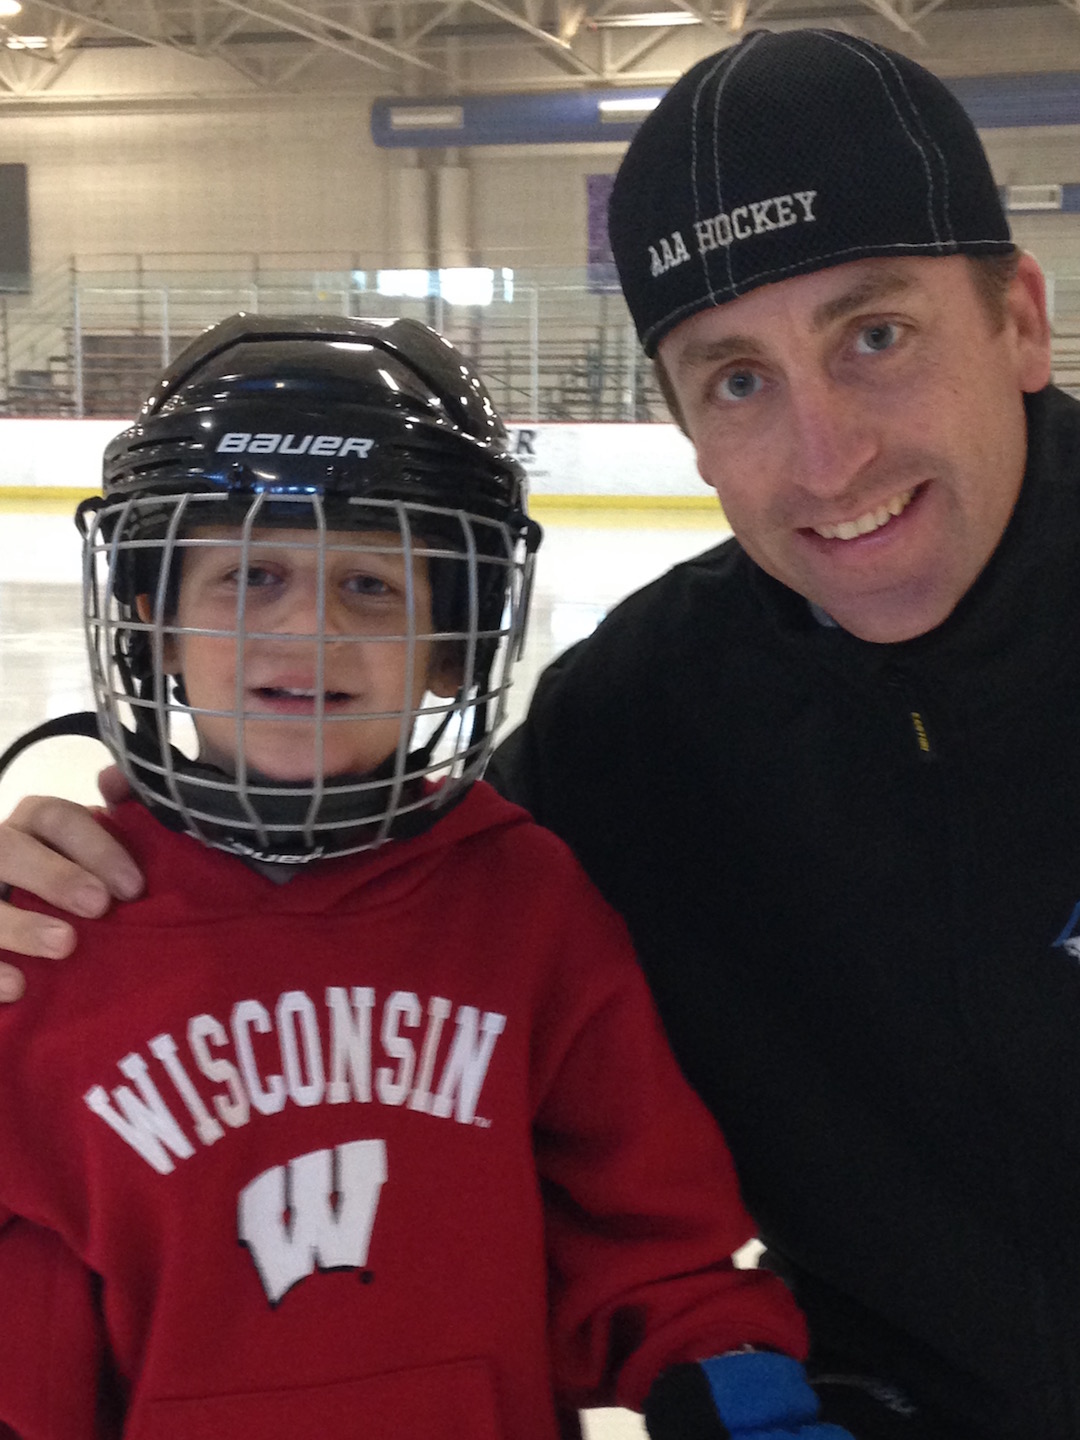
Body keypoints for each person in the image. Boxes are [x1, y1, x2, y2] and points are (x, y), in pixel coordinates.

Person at [0, 24, 1072, 1440]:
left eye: (875, 335)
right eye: (737, 378)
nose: (829, 455)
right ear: (688, 427)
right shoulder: (632, 727)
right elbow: (368, 901)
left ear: (1021, 321)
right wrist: (37, 890)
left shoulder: (559, 836)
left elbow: (642, 1228)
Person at [0, 313, 854, 1440]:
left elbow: (647, 1244)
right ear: (150, 624)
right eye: (248, 575)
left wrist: (738, 1396)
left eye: (370, 584)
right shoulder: (51, 932)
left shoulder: (527, 903)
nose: (308, 631)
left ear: (456, 643)